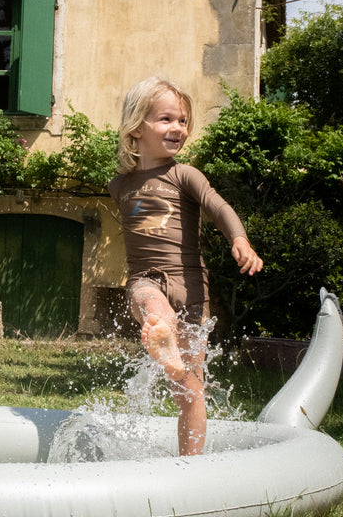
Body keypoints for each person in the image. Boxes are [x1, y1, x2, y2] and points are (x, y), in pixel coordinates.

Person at [108, 77, 263, 456]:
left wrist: (238, 239)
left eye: (182, 121)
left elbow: (218, 206)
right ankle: (163, 333)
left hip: (192, 291)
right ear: (136, 127)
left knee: (190, 392)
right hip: (146, 278)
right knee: (153, 306)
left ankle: (190, 466)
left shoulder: (184, 175)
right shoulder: (119, 185)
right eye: (166, 119)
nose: (178, 128)